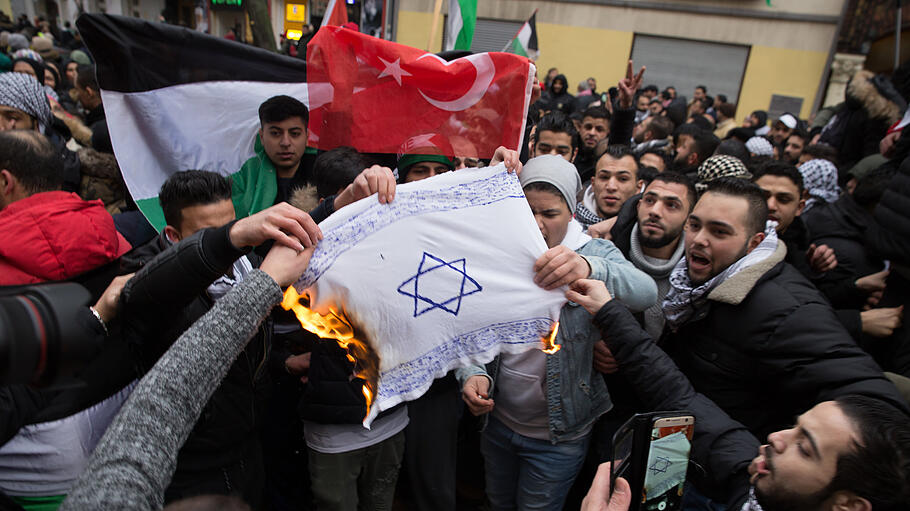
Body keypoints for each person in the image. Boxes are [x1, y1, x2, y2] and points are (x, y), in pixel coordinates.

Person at [569, 277, 910, 511]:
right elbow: (677, 394)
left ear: (848, 505)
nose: (776, 437)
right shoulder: (751, 476)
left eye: (805, 449)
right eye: (795, 427)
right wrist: (609, 312)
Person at [60, 231, 318, 511]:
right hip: (198, 464)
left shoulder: (250, 264)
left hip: (248, 450)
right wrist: (261, 287)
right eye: (216, 236)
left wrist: (282, 362)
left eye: (233, 227)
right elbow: (168, 395)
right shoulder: (154, 292)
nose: (231, 244)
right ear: (175, 235)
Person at [457, 154, 657, 511]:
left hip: (559, 437)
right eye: (527, 211)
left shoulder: (593, 250)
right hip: (499, 424)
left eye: (549, 213)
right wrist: (473, 373)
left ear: (573, 212)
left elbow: (646, 292)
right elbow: (473, 325)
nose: (537, 223)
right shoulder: (498, 252)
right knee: (497, 501)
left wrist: (589, 266)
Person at [660, 177, 908, 439]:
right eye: (695, 225)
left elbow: (873, 400)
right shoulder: (692, 286)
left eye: (719, 232)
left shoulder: (785, 309)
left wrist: (793, 454)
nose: (699, 239)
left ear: (754, 243)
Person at [606, 172, 696, 338]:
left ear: (689, 221)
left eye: (671, 205)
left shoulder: (696, 275)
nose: (655, 211)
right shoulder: (608, 259)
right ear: (638, 206)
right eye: (649, 200)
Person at [232, 95, 312, 219]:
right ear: (262, 137)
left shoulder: (325, 171)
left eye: (295, 134)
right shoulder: (243, 180)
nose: (285, 142)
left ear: (307, 137)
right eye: (275, 133)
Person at [575, 145, 643, 230]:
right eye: (604, 177)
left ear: (638, 187)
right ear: (593, 183)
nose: (611, 187)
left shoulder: (643, 229)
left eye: (623, 179)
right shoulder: (568, 223)